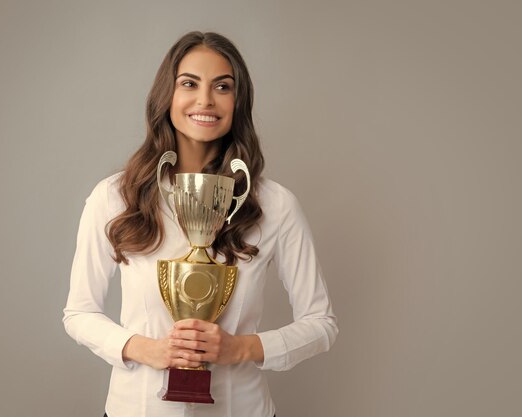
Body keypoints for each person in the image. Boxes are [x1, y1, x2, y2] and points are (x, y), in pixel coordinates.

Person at [63, 31, 338, 417]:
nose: (205, 100)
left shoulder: (275, 205)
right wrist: (146, 349)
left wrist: (239, 348)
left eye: (222, 86)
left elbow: (321, 324)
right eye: (189, 83)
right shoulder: (115, 197)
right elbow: (79, 313)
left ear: (237, 101)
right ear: (167, 97)